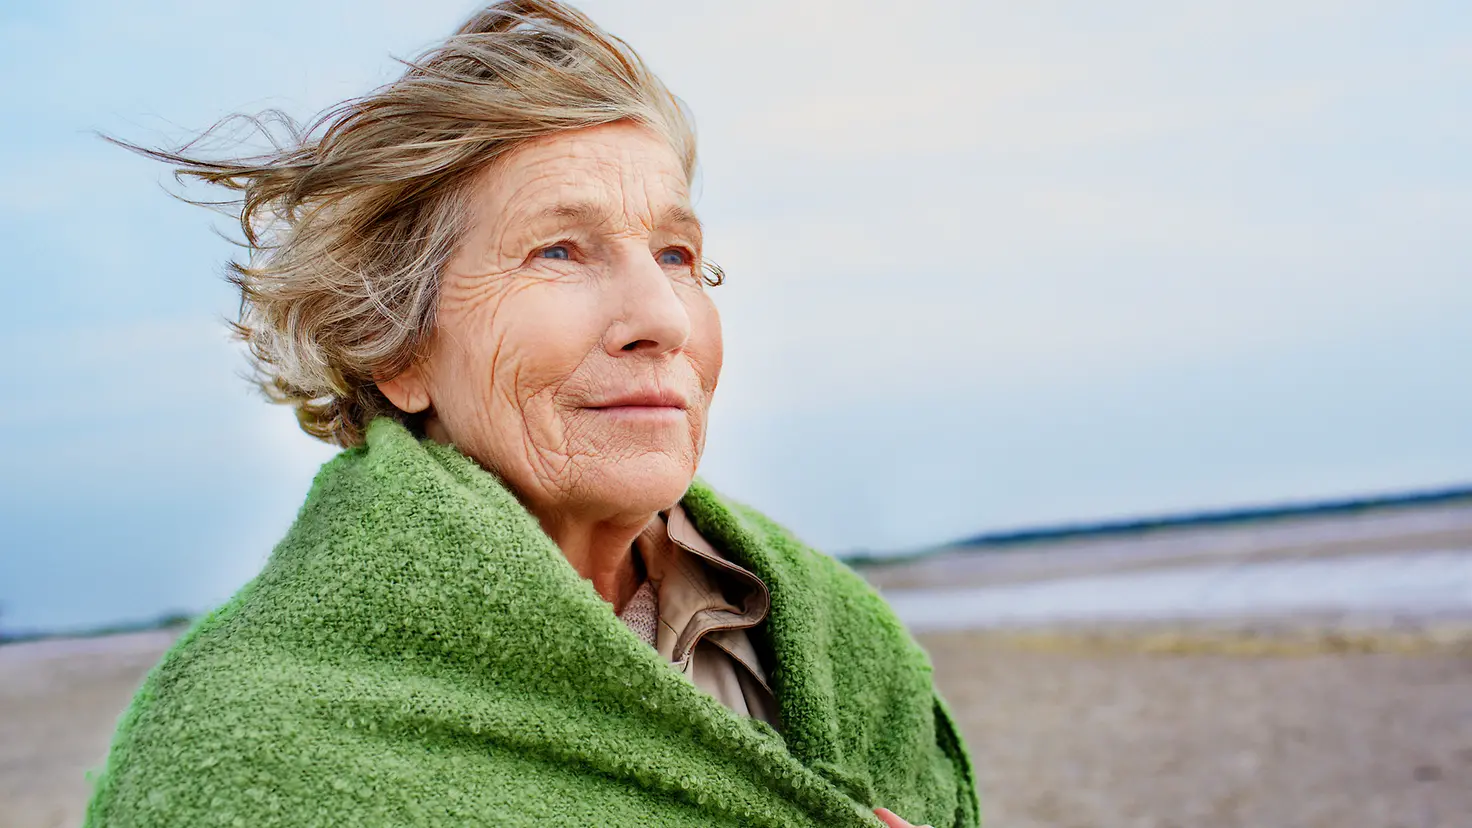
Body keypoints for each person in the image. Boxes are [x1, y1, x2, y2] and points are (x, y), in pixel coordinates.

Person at [84, 3, 977, 826]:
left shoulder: (834, 634)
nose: (661, 320)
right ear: (397, 349)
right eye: (559, 250)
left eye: (676, 254)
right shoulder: (247, 734)